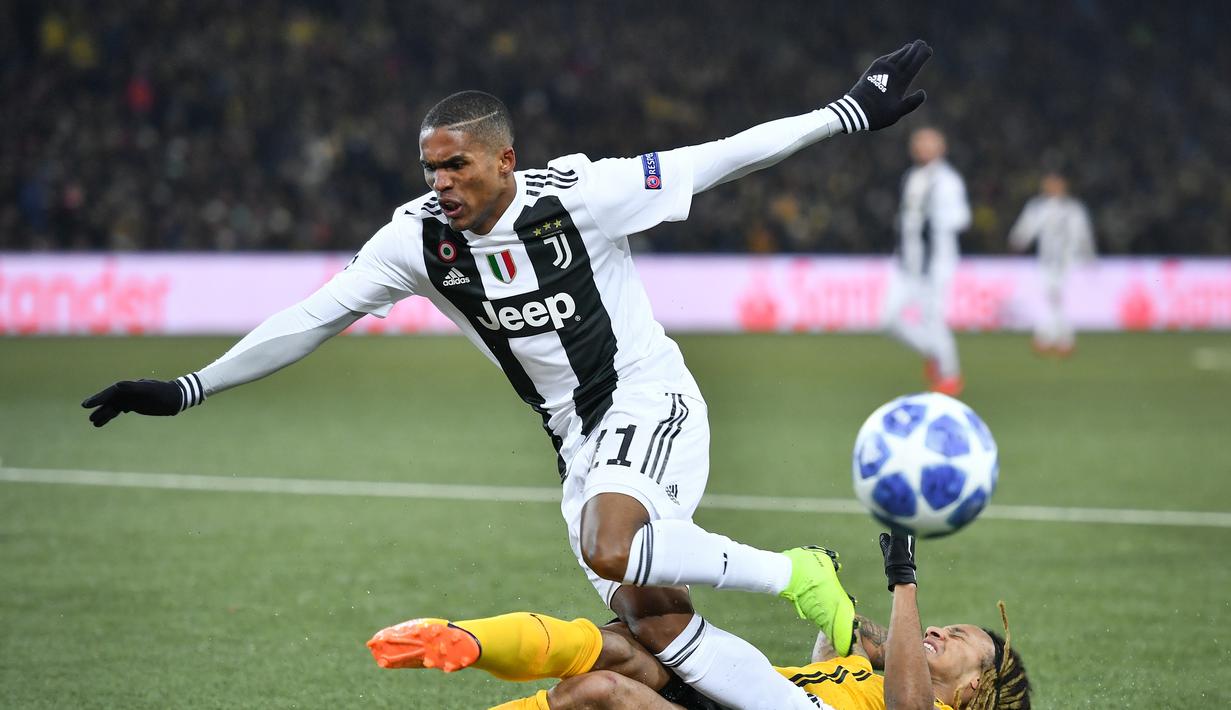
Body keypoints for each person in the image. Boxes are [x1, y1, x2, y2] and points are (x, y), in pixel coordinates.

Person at [82, 40, 935, 710]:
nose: (440, 183)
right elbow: (316, 314)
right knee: (657, 622)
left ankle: (798, 574)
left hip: (649, 398)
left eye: (456, 165)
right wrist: (191, 386)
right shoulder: (416, 239)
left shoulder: (582, 194)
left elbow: (718, 157)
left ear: (503, 159)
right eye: (429, 168)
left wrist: (848, 113)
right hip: (574, 443)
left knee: (612, 546)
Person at [368, 533, 1031, 710]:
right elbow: (855, 637)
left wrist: (904, 579)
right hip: (734, 696)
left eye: (960, 642)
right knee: (622, 642)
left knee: (599, 692)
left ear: (975, 692)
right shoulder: (881, 669)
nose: (940, 633)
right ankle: (464, 638)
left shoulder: (924, 708)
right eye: (947, 626)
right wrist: (829, 600)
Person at [882, 127, 970, 396]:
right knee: (889, 320)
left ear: (941, 147)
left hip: (935, 264)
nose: (920, 148)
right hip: (908, 262)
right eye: (917, 143)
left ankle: (951, 375)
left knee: (934, 319)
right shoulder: (913, 177)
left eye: (927, 143)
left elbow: (961, 219)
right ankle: (934, 353)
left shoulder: (948, 181)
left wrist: (935, 220)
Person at [1007, 171, 1095, 356]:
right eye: (1049, 184)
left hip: (1069, 260)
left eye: (1056, 184)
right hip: (1046, 259)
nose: (1052, 188)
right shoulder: (1038, 207)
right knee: (1050, 298)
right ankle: (1057, 338)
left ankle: (1053, 337)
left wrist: (1088, 255)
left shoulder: (1073, 208)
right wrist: (1017, 240)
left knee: (1060, 299)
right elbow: (1026, 227)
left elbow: (1083, 233)